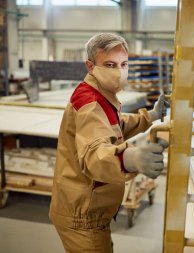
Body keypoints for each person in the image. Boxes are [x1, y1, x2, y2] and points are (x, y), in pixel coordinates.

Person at [49, 33, 168, 253]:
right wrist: (130, 158)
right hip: (83, 215)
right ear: (90, 65)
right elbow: (95, 155)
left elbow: (116, 126)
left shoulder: (101, 93)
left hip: (89, 209)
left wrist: (150, 116)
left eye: (124, 64)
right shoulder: (91, 102)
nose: (119, 71)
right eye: (110, 64)